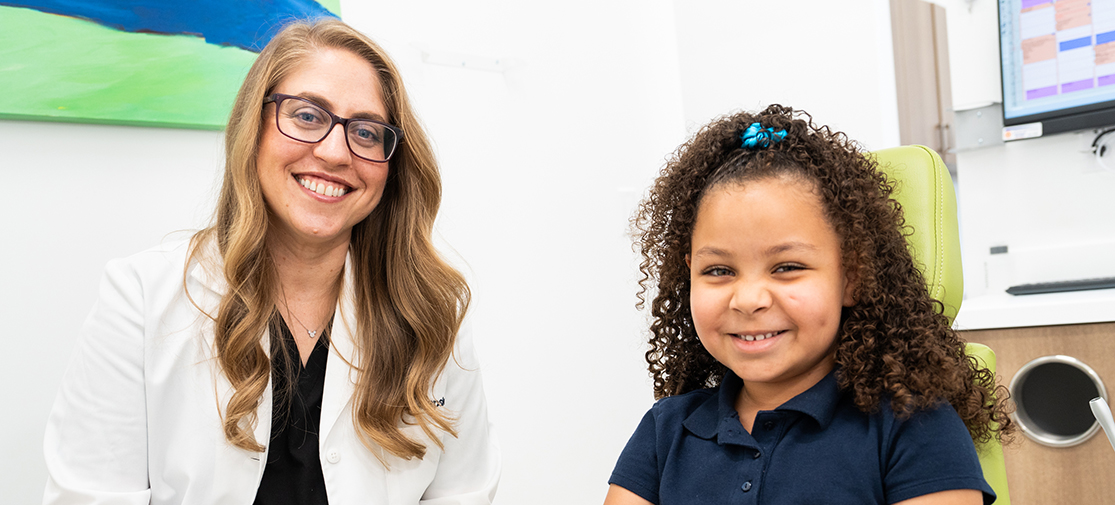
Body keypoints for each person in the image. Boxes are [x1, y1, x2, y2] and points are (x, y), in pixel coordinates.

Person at [43, 18, 499, 505]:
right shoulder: (140, 298)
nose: (334, 151)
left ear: (392, 164)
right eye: (307, 116)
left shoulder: (430, 314)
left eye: (365, 132)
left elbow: (463, 494)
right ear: (253, 126)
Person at [604, 105, 1013, 505]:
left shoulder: (913, 425)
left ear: (851, 276)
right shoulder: (665, 432)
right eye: (718, 271)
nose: (748, 300)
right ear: (689, 273)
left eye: (786, 267)